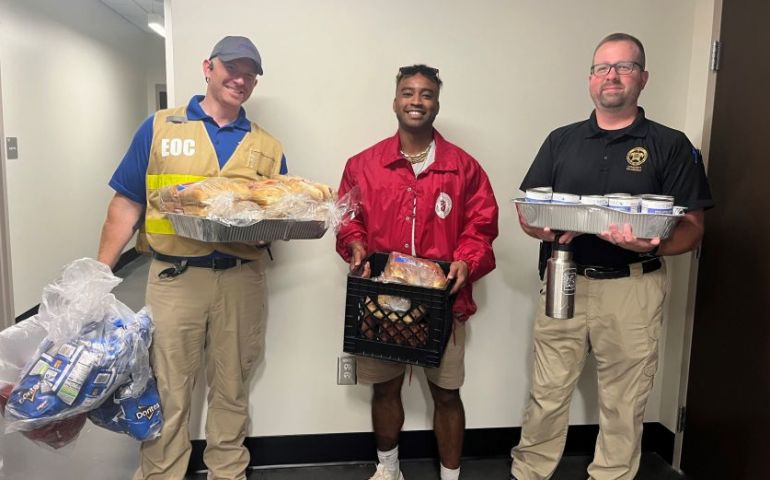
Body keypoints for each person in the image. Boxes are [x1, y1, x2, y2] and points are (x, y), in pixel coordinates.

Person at [510, 33, 714, 480]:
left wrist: (654, 243)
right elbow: (531, 210)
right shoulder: (561, 140)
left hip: (633, 288)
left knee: (625, 400)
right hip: (564, 280)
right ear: (590, 79)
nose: (612, 76)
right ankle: (529, 472)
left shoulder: (670, 144)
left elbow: (694, 229)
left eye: (624, 67)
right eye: (603, 67)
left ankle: (612, 475)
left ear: (643, 77)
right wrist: (533, 226)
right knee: (547, 392)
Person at [97, 36, 287, 480]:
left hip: (242, 280)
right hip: (175, 279)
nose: (240, 79)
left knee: (232, 385)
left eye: (250, 73)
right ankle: (162, 473)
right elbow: (126, 204)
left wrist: (269, 230)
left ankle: (227, 470)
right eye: (231, 68)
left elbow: (282, 212)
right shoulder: (161, 127)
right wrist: (100, 275)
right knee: (167, 388)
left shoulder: (267, 146)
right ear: (208, 67)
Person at [336, 65, 499, 480]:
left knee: (446, 392)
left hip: (443, 301)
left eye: (426, 94)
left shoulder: (464, 168)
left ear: (436, 104)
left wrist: (466, 259)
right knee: (385, 388)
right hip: (381, 302)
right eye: (408, 93)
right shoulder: (363, 165)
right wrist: (354, 244)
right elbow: (347, 219)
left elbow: (480, 228)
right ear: (395, 101)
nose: (416, 101)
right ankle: (388, 469)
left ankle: (450, 475)